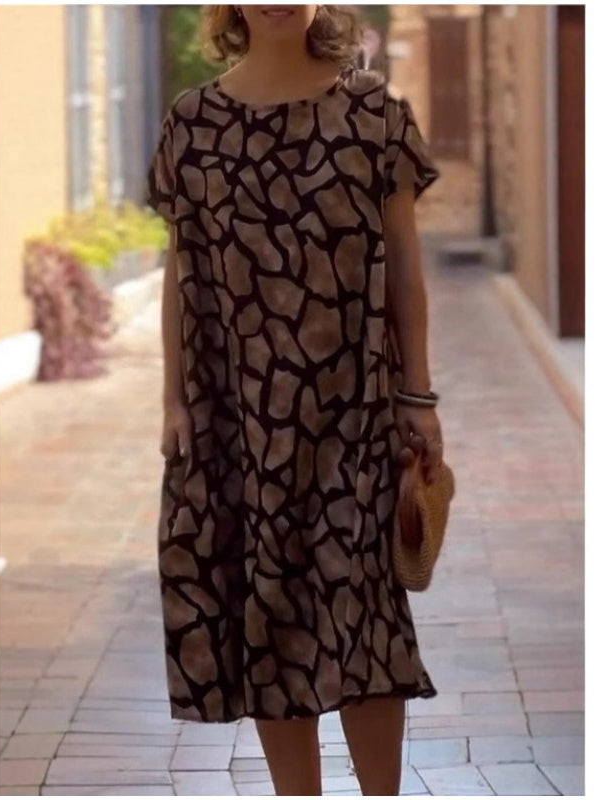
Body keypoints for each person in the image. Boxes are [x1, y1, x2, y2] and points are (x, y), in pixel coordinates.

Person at [146, 4, 444, 795]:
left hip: (355, 410)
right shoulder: (192, 123)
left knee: (366, 615)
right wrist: (174, 399)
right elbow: (182, 273)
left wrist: (417, 397)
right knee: (268, 610)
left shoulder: (376, 114)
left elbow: (406, 269)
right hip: (236, 415)